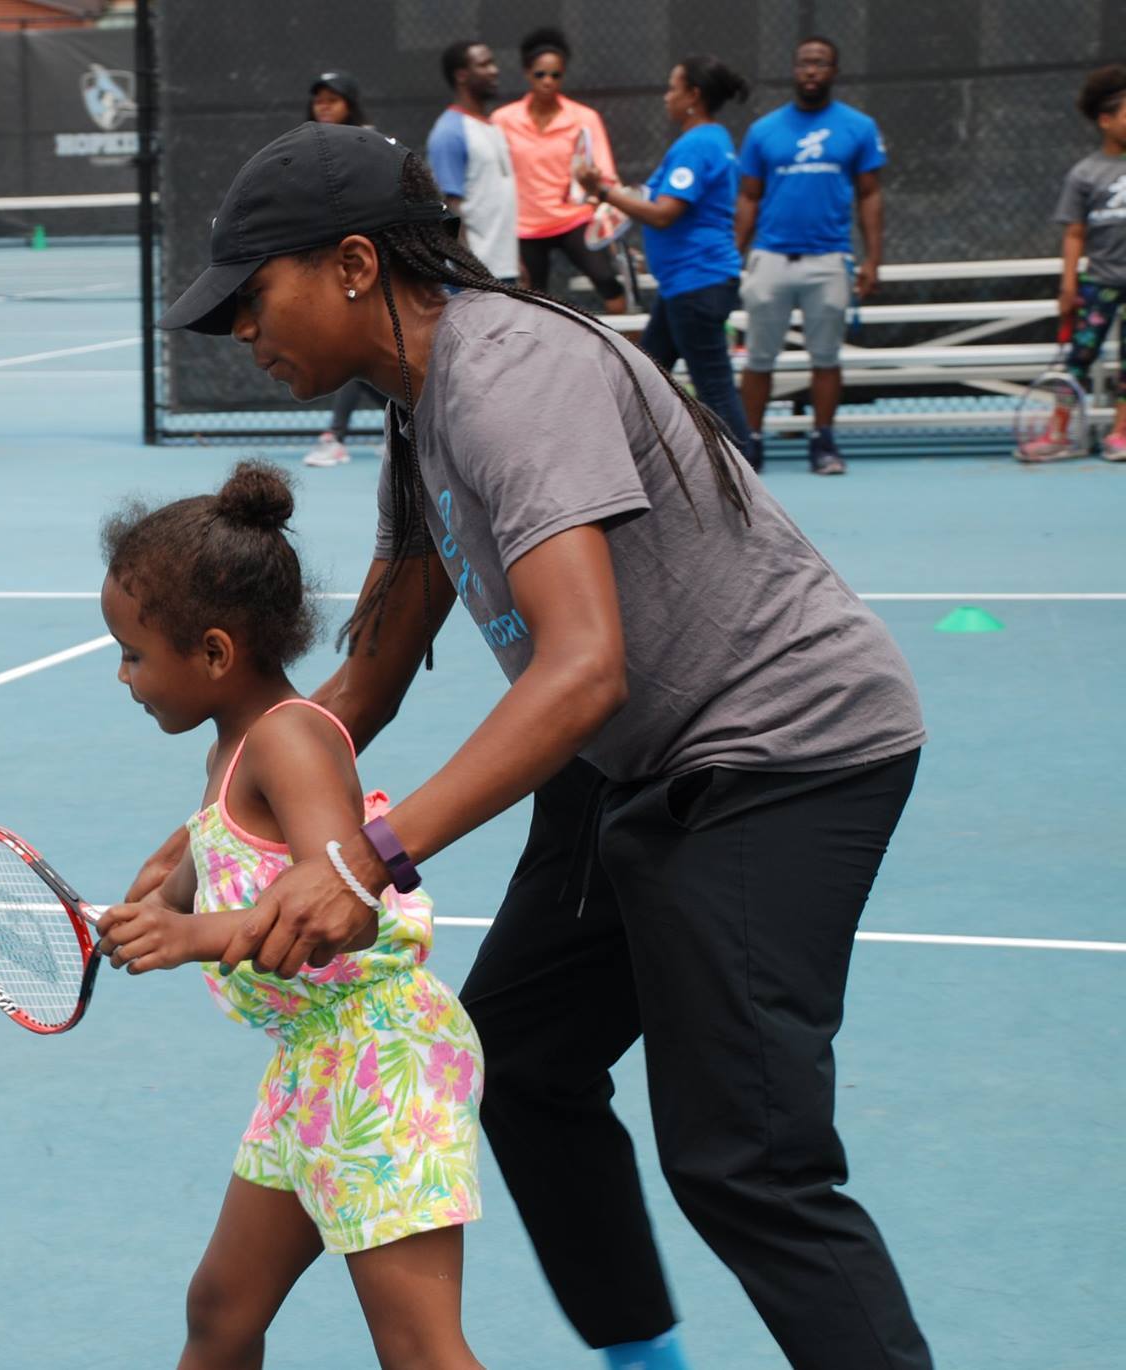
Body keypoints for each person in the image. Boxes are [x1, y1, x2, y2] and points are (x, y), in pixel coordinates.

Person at [150, 121, 933, 1370]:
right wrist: (203, 839)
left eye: (253, 295)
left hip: (779, 747)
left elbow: (580, 668)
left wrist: (361, 859)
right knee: (519, 1057)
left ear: (352, 264)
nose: (241, 328)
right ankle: (644, 1357)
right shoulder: (419, 411)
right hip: (636, 751)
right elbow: (368, 675)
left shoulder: (506, 372)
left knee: (746, 1159)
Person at [93, 460, 486, 1370]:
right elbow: (221, 876)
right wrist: (158, 904)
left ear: (215, 653)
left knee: (420, 1349)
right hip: (314, 1062)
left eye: (134, 654)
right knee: (221, 1312)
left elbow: (337, 905)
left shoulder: (290, 741)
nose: (123, 675)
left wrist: (191, 937)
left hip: (381, 1062)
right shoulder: (234, 750)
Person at [575, 57, 760, 466]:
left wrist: (602, 192)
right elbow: (666, 210)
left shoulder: (697, 145)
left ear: (693, 95)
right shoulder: (711, 139)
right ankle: (632, 466)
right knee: (645, 374)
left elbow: (663, 213)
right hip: (686, 284)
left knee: (712, 387)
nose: (666, 96)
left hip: (696, 285)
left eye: (673, 87)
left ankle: (744, 474)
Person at [736, 37, 887, 476]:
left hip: (829, 259)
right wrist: (732, 255)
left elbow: (870, 194)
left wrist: (873, 259)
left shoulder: (858, 127)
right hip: (771, 257)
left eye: (820, 63)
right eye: (804, 63)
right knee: (759, 358)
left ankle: (823, 443)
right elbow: (748, 197)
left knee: (826, 357)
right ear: (794, 69)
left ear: (834, 71)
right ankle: (751, 443)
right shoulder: (763, 130)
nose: (811, 70)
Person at [1022, 63, 1126, 462]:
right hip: (1098, 284)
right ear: (1105, 120)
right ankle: (1059, 433)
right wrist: (1068, 286)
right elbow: (1074, 235)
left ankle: (1120, 435)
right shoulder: (1084, 173)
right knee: (1078, 360)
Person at [491, 28, 628, 312]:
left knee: (608, 283)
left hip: (573, 218)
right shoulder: (503, 120)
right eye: (540, 74)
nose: (548, 81)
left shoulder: (584, 118)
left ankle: (624, 341)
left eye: (556, 75)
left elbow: (604, 173)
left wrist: (598, 197)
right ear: (527, 74)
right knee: (534, 300)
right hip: (525, 226)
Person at [303, 70, 387, 469]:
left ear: (349, 105)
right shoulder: (306, 147)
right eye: (319, 99)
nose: (324, 106)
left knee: (354, 346)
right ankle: (410, 420)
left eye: (332, 100)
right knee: (354, 349)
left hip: (365, 261)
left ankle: (335, 436)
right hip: (329, 261)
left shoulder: (369, 143)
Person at [426, 41, 518, 285]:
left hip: (503, 269)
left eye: (493, 63)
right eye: (484, 64)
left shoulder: (492, 127)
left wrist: (516, 262)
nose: (494, 70)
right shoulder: (449, 131)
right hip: (474, 278)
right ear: (462, 75)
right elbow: (449, 207)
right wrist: (469, 271)